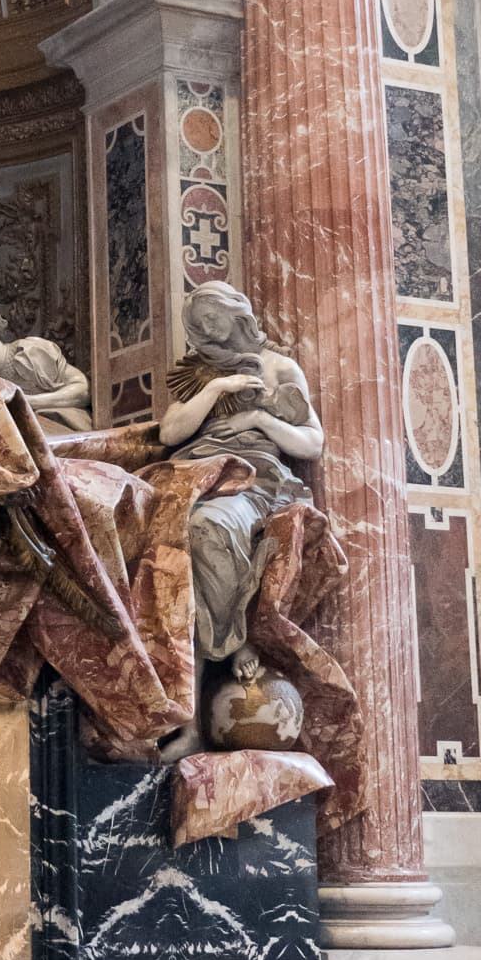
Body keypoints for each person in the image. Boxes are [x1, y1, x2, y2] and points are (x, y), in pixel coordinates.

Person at [156, 281, 324, 760]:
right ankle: (184, 721)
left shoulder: (278, 367)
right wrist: (217, 388)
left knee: (207, 527)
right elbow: (171, 431)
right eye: (200, 321)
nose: (209, 327)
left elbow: (312, 443)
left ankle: (233, 648)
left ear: (237, 314)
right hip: (193, 476)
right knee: (159, 565)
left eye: (215, 316)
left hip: (250, 482)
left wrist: (259, 423)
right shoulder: (197, 374)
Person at [0, 284, 93, 432]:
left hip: (66, 429)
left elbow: (83, 390)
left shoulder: (28, 352)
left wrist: (26, 402)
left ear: (0, 326)